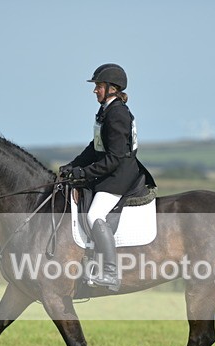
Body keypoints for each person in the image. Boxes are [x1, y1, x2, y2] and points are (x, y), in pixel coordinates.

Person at [59, 63, 154, 290]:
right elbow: (96, 147)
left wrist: (83, 173)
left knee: (94, 215)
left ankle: (110, 272)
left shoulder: (118, 113)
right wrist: (73, 165)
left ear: (112, 88)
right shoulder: (108, 110)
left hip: (120, 175)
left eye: (99, 86)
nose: (95, 90)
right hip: (111, 170)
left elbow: (114, 158)